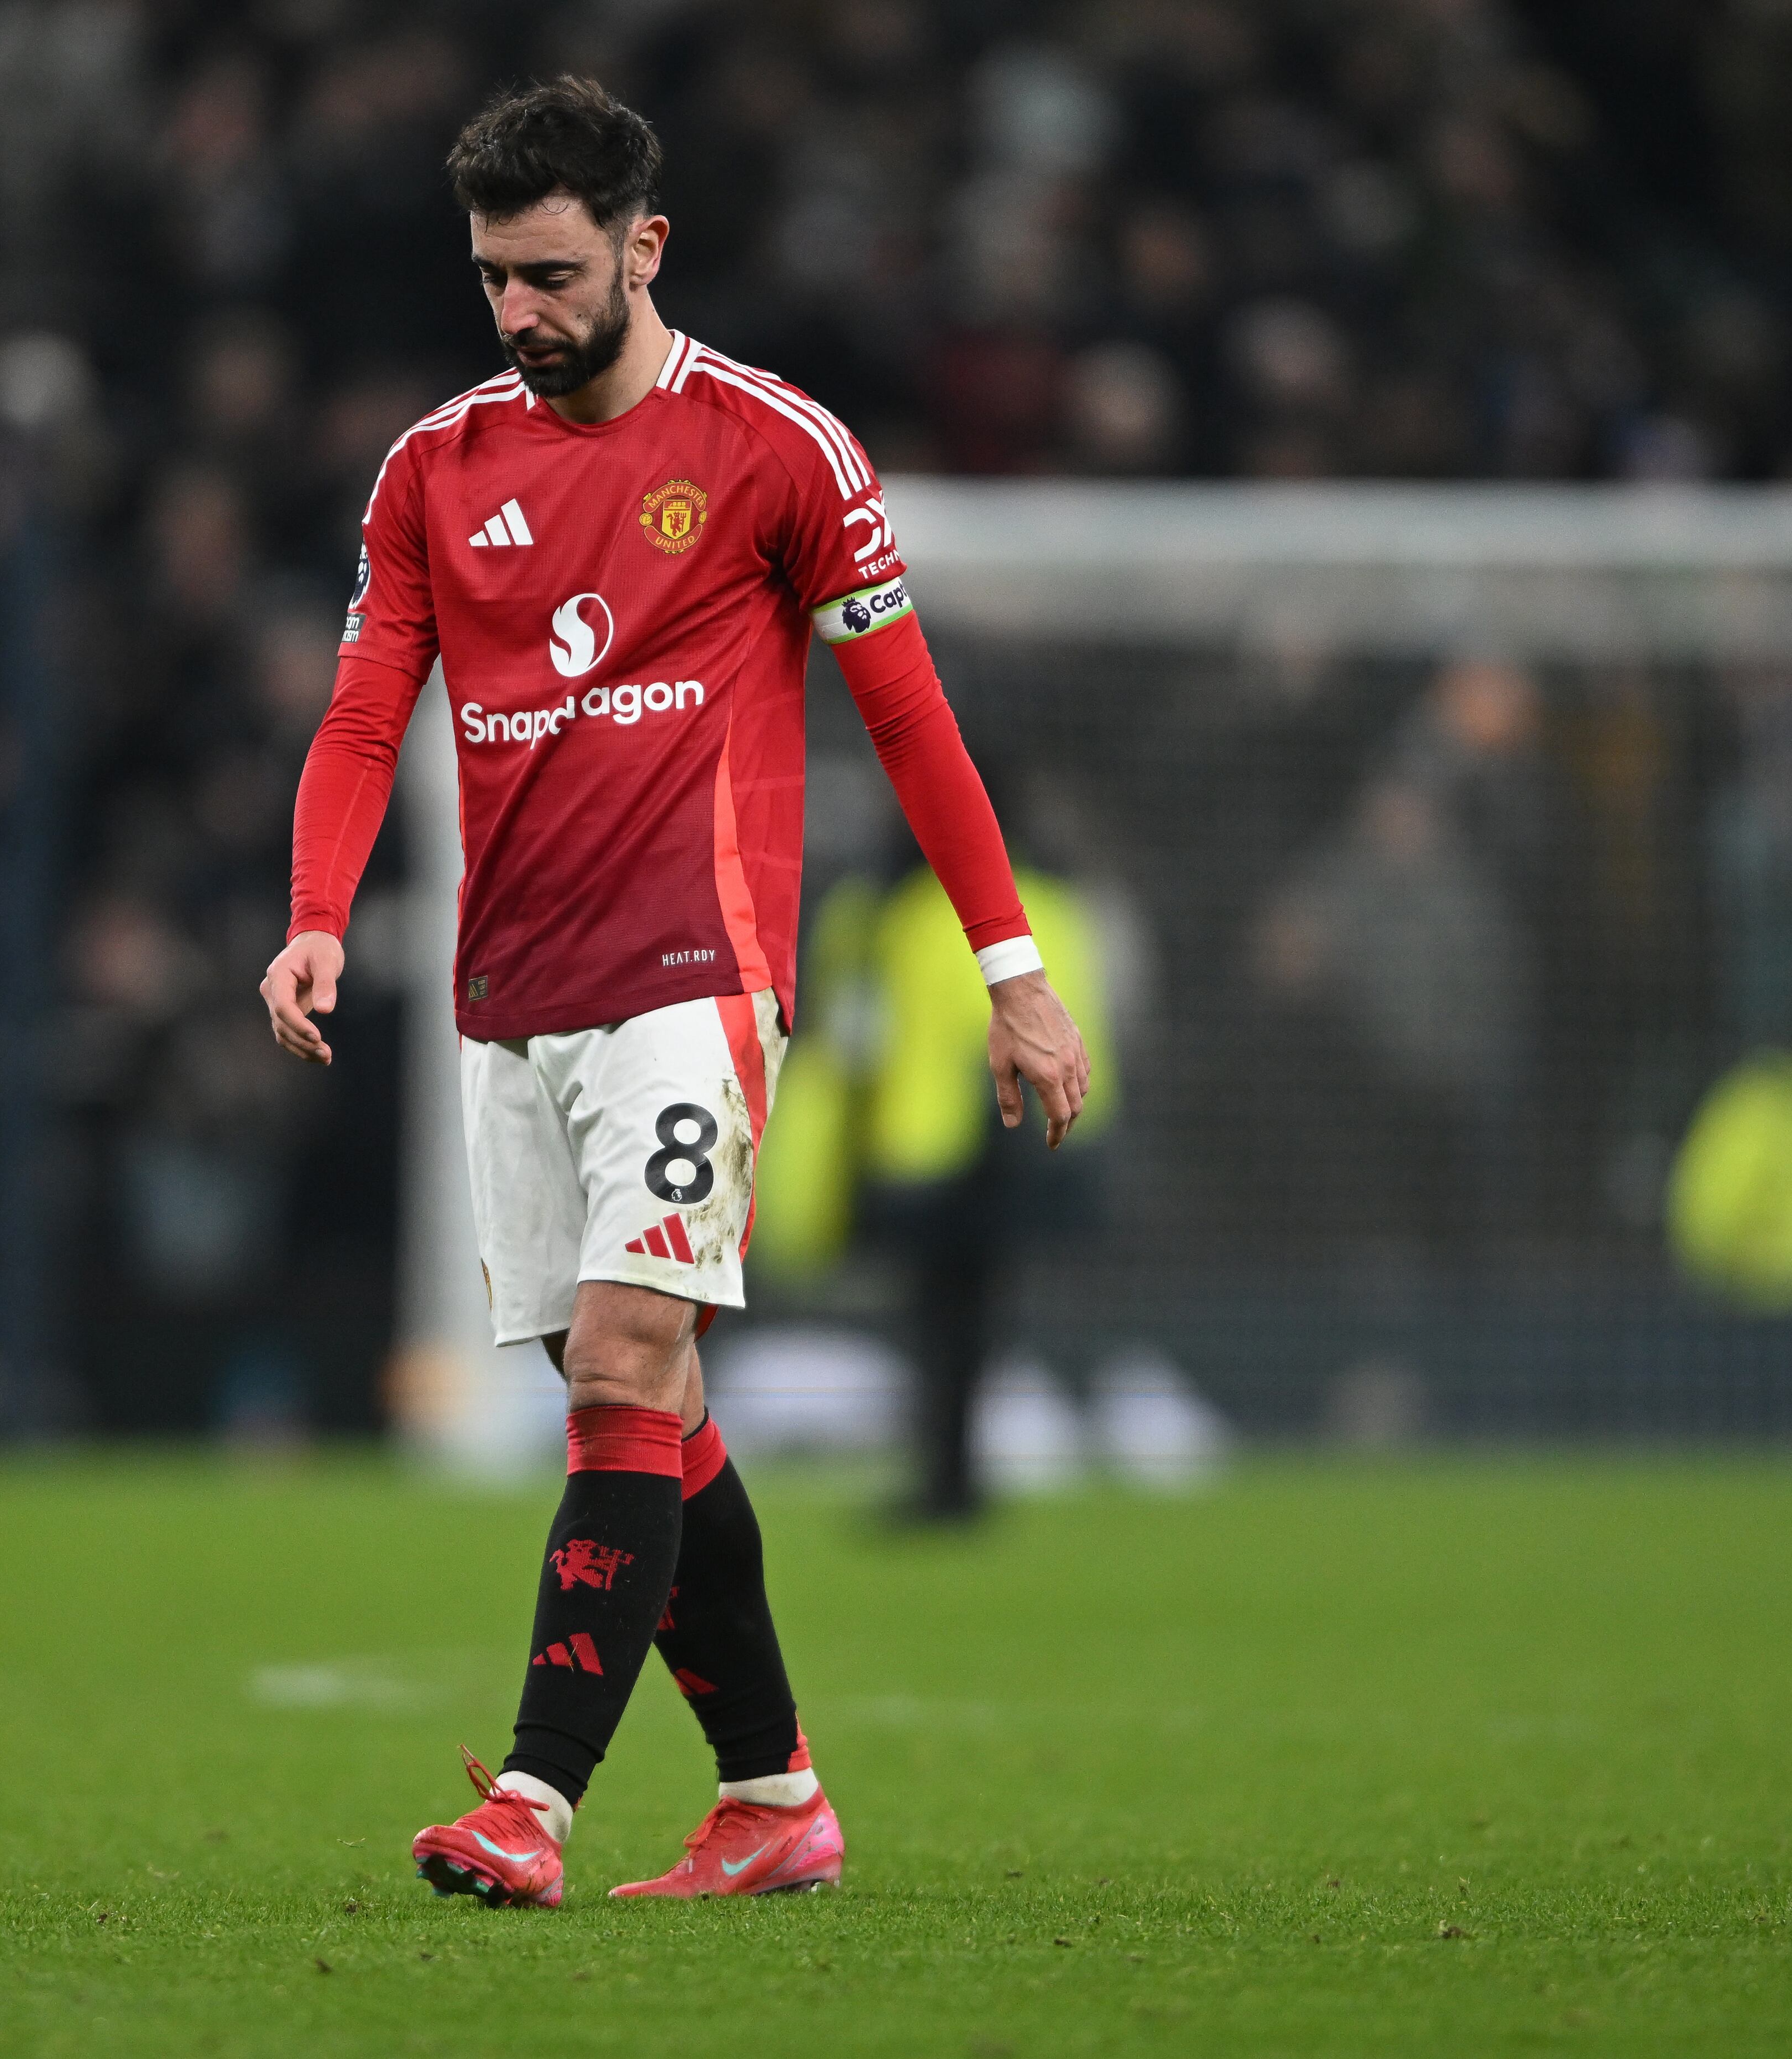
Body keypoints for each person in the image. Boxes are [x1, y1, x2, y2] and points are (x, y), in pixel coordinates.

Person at [258, 79, 1087, 1908]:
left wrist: (1012, 973)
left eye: (553, 275)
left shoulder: (780, 449)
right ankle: (775, 1794)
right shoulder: (431, 472)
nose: (520, 312)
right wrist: (317, 911)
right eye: (494, 277)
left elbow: (911, 719)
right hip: (513, 992)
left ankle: (533, 1802)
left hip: (698, 979)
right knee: (646, 1394)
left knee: (627, 1359)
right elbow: (366, 710)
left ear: (645, 246)